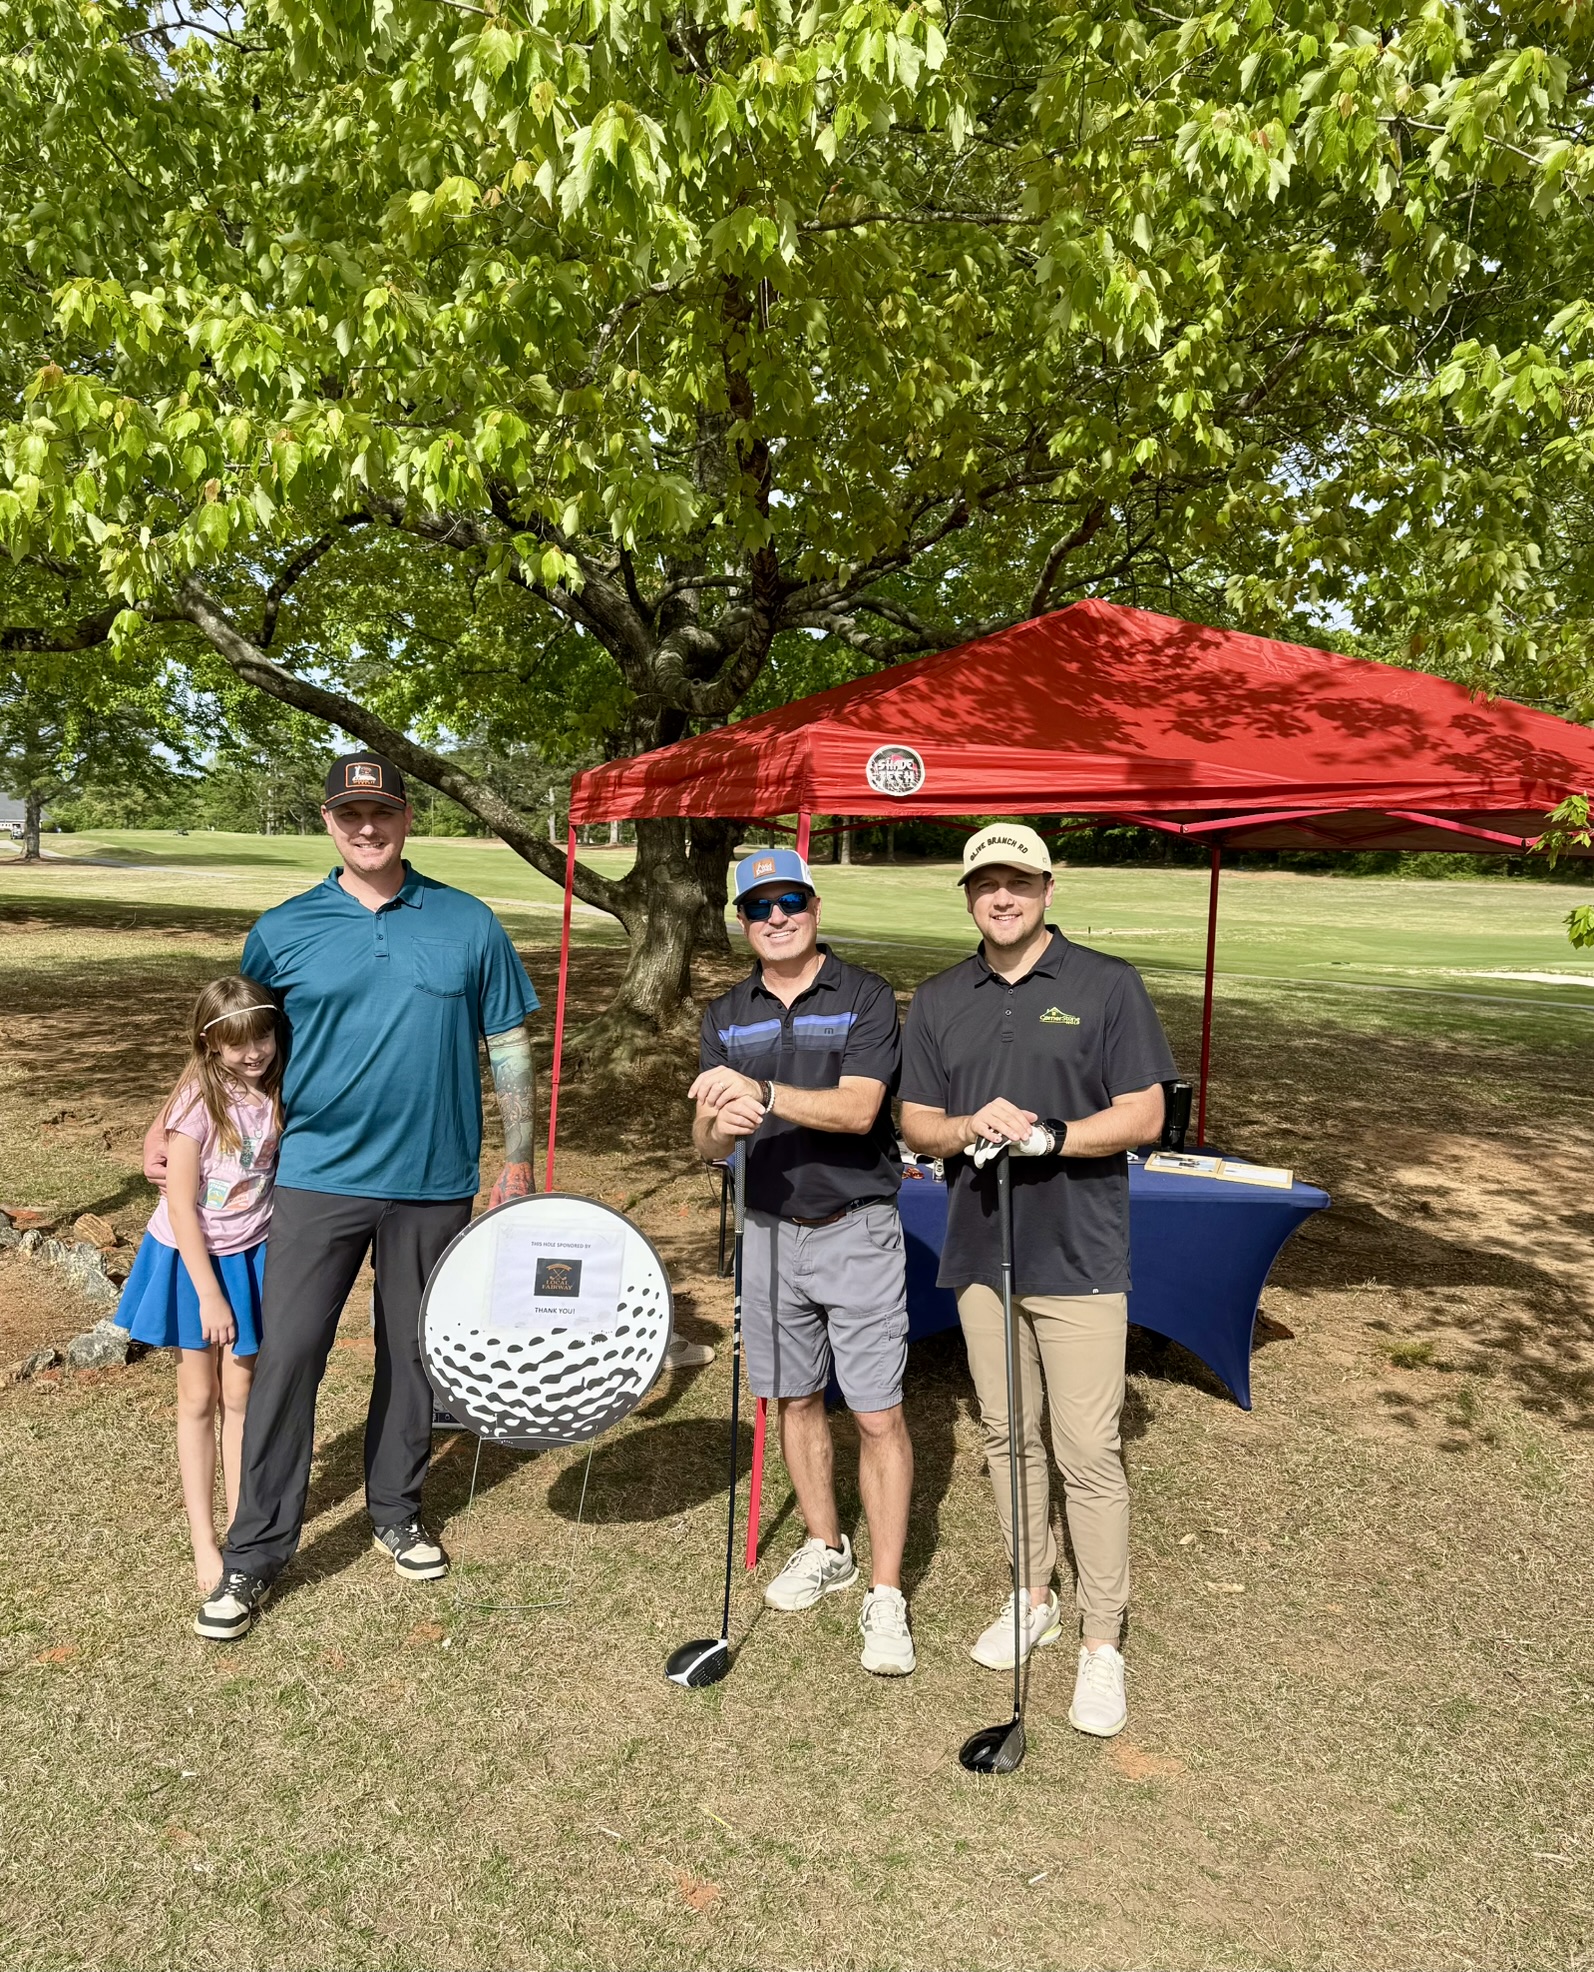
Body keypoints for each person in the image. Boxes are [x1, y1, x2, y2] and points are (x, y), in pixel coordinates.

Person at [173, 752, 541, 1642]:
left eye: (380, 811)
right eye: (349, 814)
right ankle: (256, 1552)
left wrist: (520, 1157)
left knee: (411, 1354)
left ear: (406, 817)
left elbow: (509, 1043)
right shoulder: (284, 929)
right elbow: (236, 1042)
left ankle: (394, 1510)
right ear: (329, 823)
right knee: (289, 1356)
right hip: (315, 1176)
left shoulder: (468, 923)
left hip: (434, 1179)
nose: (365, 827)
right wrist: (172, 1122)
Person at [899, 823, 1176, 1738]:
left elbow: (1144, 1113)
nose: (1002, 898)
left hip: (1080, 1255)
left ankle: (1103, 1642)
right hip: (981, 1250)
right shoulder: (941, 998)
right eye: (986, 884)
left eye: (1019, 881)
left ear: (1048, 889)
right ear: (969, 896)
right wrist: (963, 1126)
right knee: (1005, 1435)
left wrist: (1053, 1135)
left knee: (1086, 1450)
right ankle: (1032, 1594)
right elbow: (916, 1119)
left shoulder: (1106, 985)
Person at [689, 847, 917, 1677]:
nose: (776, 918)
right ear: (742, 922)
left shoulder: (861, 995)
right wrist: (720, 1123)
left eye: (790, 902)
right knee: (791, 1398)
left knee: (878, 1412)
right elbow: (708, 1140)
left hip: (855, 1225)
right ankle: (828, 1545)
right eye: (759, 908)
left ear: (814, 907)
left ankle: (885, 1592)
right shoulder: (724, 1013)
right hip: (768, 1230)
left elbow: (860, 1112)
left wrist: (763, 1093)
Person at [116, 977, 283, 1594]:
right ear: (211, 1045)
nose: (254, 1053)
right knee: (199, 1397)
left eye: (261, 1037)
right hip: (195, 1262)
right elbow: (183, 1208)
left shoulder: (277, 1090)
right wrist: (209, 1292)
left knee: (241, 1394)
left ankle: (245, 1530)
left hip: (251, 1254)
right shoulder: (195, 1105)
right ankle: (203, 1543)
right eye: (238, 1044)